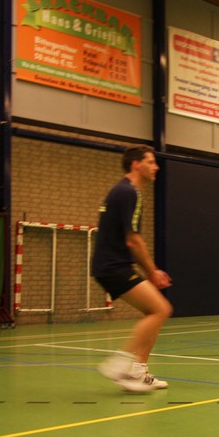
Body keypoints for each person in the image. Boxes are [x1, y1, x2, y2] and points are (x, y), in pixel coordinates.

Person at [92, 145, 173, 392]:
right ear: (136, 164)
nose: (156, 167)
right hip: (113, 266)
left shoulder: (123, 190)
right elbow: (133, 240)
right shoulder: (129, 192)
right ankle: (119, 364)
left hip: (110, 265)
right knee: (160, 309)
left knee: (154, 312)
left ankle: (138, 372)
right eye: (151, 162)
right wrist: (152, 271)